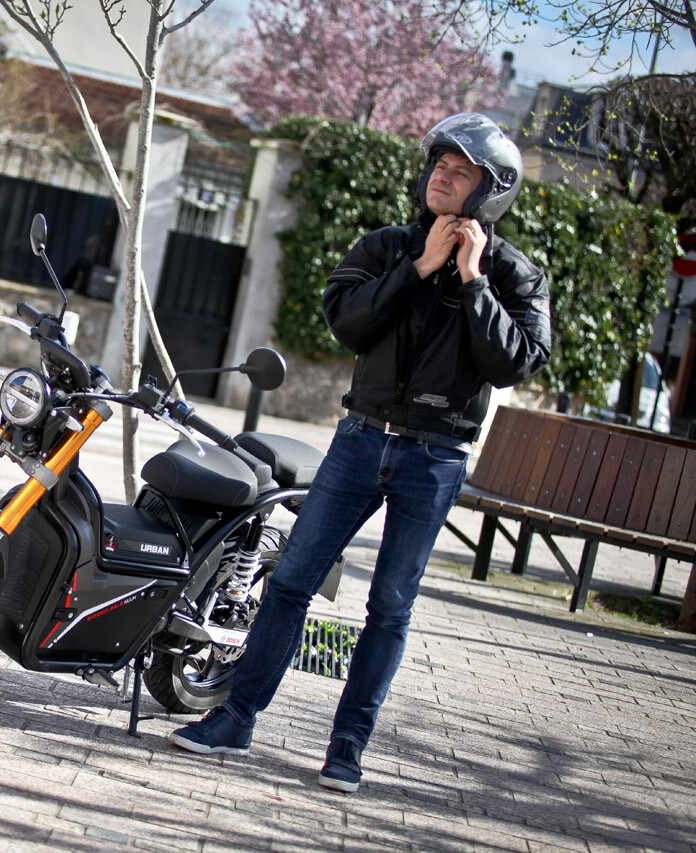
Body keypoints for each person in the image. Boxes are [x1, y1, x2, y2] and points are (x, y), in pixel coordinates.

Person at [168, 113, 552, 793]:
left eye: (460, 171)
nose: (442, 176)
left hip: (436, 455)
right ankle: (236, 717)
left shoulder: (514, 274)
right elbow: (346, 322)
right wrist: (420, 267)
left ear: (491, 189)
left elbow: (514, 363)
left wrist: (472, 282)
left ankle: (347, 748)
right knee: (291, 580)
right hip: (361, 437)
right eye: (439, 164)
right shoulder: (387, 246)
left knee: (390, 607)